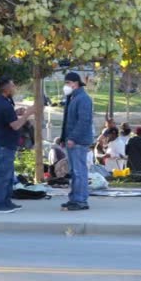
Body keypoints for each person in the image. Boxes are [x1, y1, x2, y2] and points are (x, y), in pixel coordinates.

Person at [0, 77, 35, 214]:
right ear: (6, 89)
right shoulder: (2, 104)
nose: (15, 88)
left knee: (8, 175)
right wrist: (27, 114)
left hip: (6, 144)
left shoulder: (1, 101)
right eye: (13, 86)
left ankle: (6, 201)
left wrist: (16, 113)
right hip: (4, 144)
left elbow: (5, 118)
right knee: (2, 175)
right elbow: (15, 126)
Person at [61, 72, 94, 211]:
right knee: (75, 172)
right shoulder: (73, 97)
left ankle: (80, 200)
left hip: (78, 141)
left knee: (79, 171)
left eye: (67, 83)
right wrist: (64, 138)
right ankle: (75, 198)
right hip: (72, 140)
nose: (66, 86)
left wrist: (73, 138)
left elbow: (84, 121)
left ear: (75, 83)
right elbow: (67, 121)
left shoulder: (83, 99)